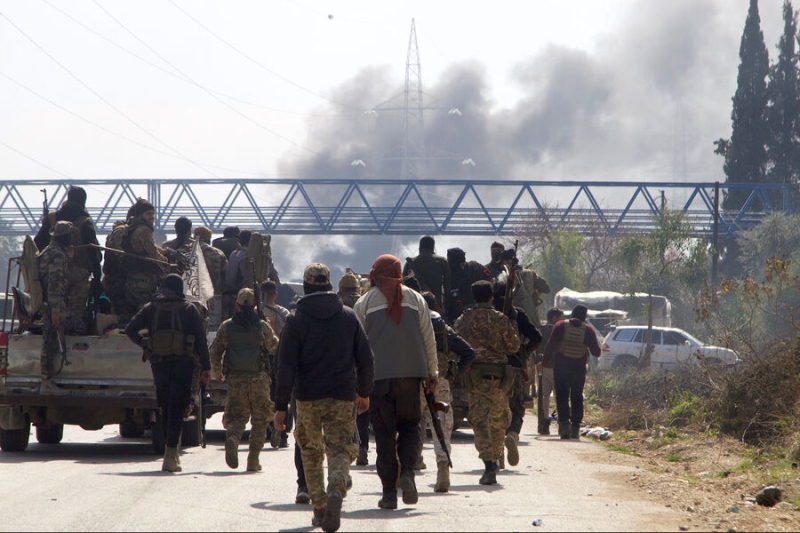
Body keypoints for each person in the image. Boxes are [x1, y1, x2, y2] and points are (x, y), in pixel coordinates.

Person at [273, 263, 374, 532]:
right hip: (342, 395)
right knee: (340, 448)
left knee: (310, 451)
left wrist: (280, 406)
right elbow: (366, 359)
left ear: (306, 287)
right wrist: (364, 392)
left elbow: (285, 366)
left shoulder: (295, 320)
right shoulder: (348, 316)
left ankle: (319, 507)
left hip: (306, 397)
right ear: (330, 286)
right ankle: (336, 490)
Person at [352, 254, 438, 510]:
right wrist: (432, 373)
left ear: (376, 274)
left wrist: (359, 384)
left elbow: (357, 348)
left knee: (384, 434)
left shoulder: (364, 302)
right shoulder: (416, 299)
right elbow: (428, 339)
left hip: (378, 380)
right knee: (411, 427)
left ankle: (389, 492)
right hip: (411, 377)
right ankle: (408, 474)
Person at [125, 274, 211, 472]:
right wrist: (206, 368)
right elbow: (200, 341)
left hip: (159, 364)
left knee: (164, 406)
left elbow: (130, 330)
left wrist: (147, 346)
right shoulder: (189, 310)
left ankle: (169, 450)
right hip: (184, 365)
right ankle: (171, 454)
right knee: (177, 408)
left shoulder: (151, 307)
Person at [454, 280, 520, 485]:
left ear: (474, 296)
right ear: (491, 296)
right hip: (499, 379)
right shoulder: (501, 319)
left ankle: (489, 464)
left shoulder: (463, 319)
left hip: (475, 378)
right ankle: (496, 457)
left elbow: (455, 343)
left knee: (479, 421)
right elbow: (514, 346)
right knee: (499, 421)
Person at [209, 288, 279, 472]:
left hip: (236, 379)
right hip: (259, 379)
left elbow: (215, 351)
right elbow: (274, 348)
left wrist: (217, 371)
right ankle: (253, 459)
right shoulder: (262, 326)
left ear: (237, 304)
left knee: (237, 416)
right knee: (260, 419)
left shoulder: (227, 326)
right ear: (255, 305)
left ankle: (233, 437)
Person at [418, 291, 474, 492]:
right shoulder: (443, 328)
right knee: (441, 427)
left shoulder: (412, 324)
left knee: (410, 425)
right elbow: (468, 352)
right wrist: (453, 374)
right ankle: (443, 467)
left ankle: (406, 469)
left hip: (414, 381)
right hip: (440, 381)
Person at [34, 185, 102, 333]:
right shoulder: (85, 221)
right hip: (78, 274)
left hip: (51, 272)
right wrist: (97, 277)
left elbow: (37, 243)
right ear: (83, 201)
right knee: (75, 312)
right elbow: (94, 253)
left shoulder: (51, 218)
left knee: (51, 310)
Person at [492, 280, 542, 469]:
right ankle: (512, 434)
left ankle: (497, 456)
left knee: (492, 413)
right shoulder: (517, 314)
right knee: (516, 408)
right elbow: (537, 337)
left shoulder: (488, 316)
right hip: (514, 368)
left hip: (490, 371)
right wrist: (524, 352)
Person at [538, 304, 601, 439]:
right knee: (577, 396)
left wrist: (544, 363)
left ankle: (564, 425)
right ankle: (575, 428)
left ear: (572, 313)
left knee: (562, 396)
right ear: (584, 317)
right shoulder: (588, 330)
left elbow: (550, 346)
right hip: (579, 368)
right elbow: (597, 352)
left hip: (561, 367)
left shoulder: (560, 326)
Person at [37, 221, 82, 394]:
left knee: (50, 340)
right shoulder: (57, 255)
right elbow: (55, 284)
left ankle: (48, 379)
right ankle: (47, 381)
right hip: (52, 305)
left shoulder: (50, 251)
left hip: (48, 304)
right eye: (70, 235)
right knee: (51, 342)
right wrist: (56, 311)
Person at [337, 270, 369, 466]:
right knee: (363, 408)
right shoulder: (366, 302)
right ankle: (363, 446)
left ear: (340, 289)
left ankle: (348, 448)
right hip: (363, 361)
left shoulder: (338, 305)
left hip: (343, 364)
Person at [121, 199, 170, 317]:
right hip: (143, 279)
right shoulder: (144, 229)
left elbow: (149, 246)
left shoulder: (133, 227)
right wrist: (168, 262)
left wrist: (164, 251)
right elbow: (154, 255)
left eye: (153, 214)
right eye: (148, 214)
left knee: (133, 313)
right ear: (140, 215)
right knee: (144, 313)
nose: (152, 217)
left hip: (133, 277)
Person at [402, 236, 450, 311]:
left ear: (420, 247)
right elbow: (448, 285)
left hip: (415, 305)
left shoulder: (411, 263)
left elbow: (403, 284)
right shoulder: (442, 261)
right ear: (433, 247)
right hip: (437, 306)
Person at [536, 308, 564, 435]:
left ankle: (544, 422)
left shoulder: (540, 330)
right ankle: (561, 422)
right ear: (554, 318)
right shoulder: (558, 330)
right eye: (561, 317)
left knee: (544, 395)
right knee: (559, 395)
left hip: (541, 365)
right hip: (555, 366)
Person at [446, 247, 491, 324]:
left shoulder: (475, 267)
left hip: (470, 310)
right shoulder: (475, 266)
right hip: (472, 310)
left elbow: (488, 277)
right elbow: (488, 276)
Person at [222, 230, 252, 321]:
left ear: (239, 240)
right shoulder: (249, 255)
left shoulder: (234, 254)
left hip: (232, 295)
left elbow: (230, 277)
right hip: (247, 297)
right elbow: (247, 278)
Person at [193, 226, 228, 296]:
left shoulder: (185, 251)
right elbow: (225, 275)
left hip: (192, 294)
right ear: (209, 237)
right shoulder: (218, 253)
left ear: (194, 236)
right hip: (213, 294)